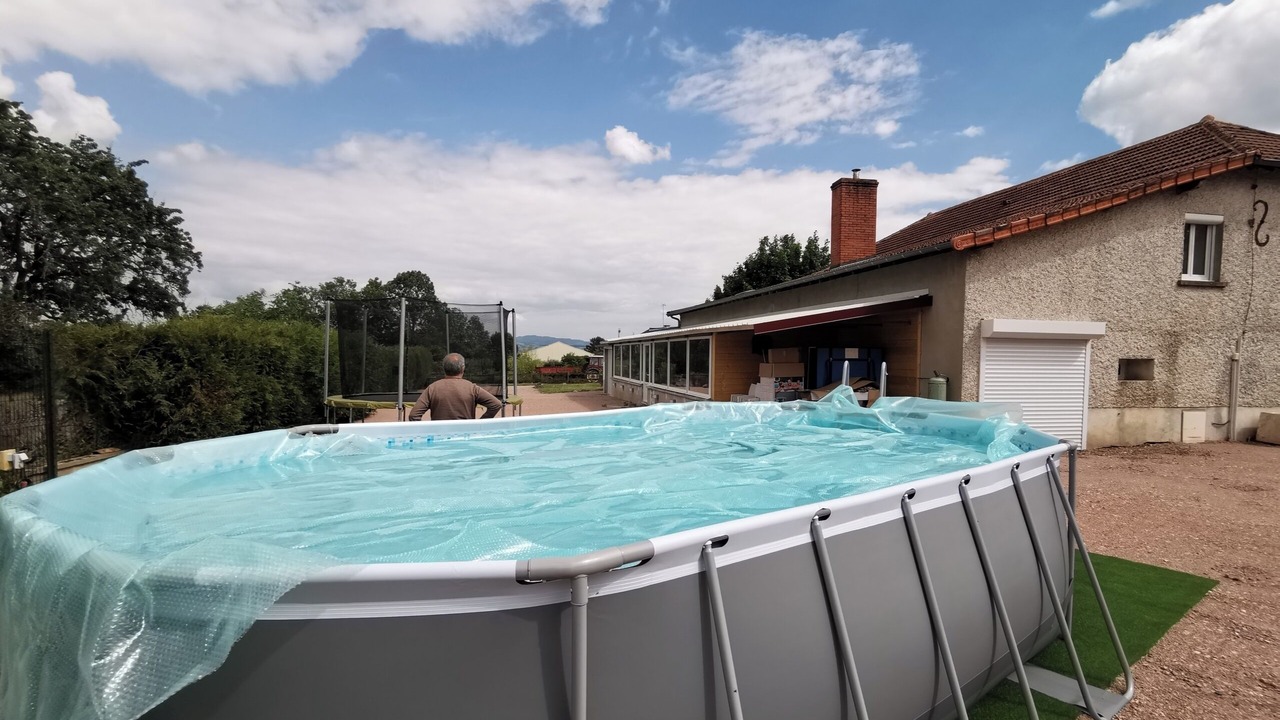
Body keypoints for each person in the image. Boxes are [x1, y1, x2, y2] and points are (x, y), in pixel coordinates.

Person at [408, 353, 503, 421]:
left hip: (439, 437)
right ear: (463, 368)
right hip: (465, 436)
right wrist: (478, 424)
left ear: (444, 369)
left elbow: (413, 415)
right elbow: (496, 404)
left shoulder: (432, 388)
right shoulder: (472, 388)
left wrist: (427, 432)